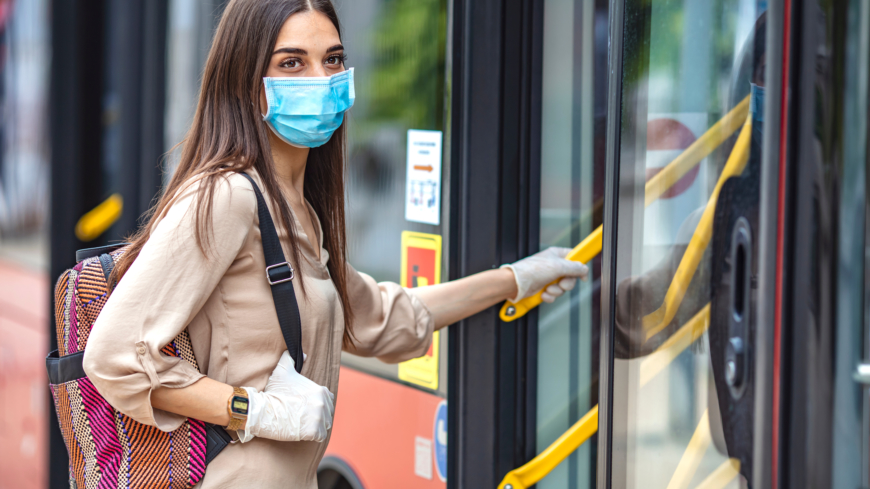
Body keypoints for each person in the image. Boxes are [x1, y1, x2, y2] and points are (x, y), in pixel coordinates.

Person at [81, 0, 588, 487]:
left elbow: (380, 319)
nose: (321, 80)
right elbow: (113, 356)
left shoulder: (297, 211)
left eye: (334, 59)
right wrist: (253, 410)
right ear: (246, 81)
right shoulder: (226, 195)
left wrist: (515, 280)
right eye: (292, 63)